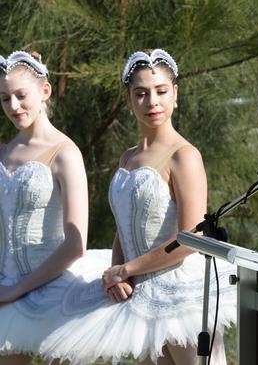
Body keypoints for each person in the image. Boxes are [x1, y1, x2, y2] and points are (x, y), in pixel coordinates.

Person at [38, 49, 237, 365]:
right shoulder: (127, 158)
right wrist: (119, 277)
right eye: (141, 93)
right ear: (130, 100)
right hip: (139, 294)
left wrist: (126, 269)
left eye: (160, 91)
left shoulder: (183, 156)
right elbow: (123, 228)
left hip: (180, 294)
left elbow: (191, 241)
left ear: (175, 94)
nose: (152, 102)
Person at [0, 50, 98, 364]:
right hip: (5, 287)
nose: (13, 106)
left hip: (53, 289)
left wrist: (17, 290)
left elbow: (76, 244)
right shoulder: (3, 153)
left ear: (45, 91)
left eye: (20, 95)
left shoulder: (65, 153)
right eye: (4, 98)